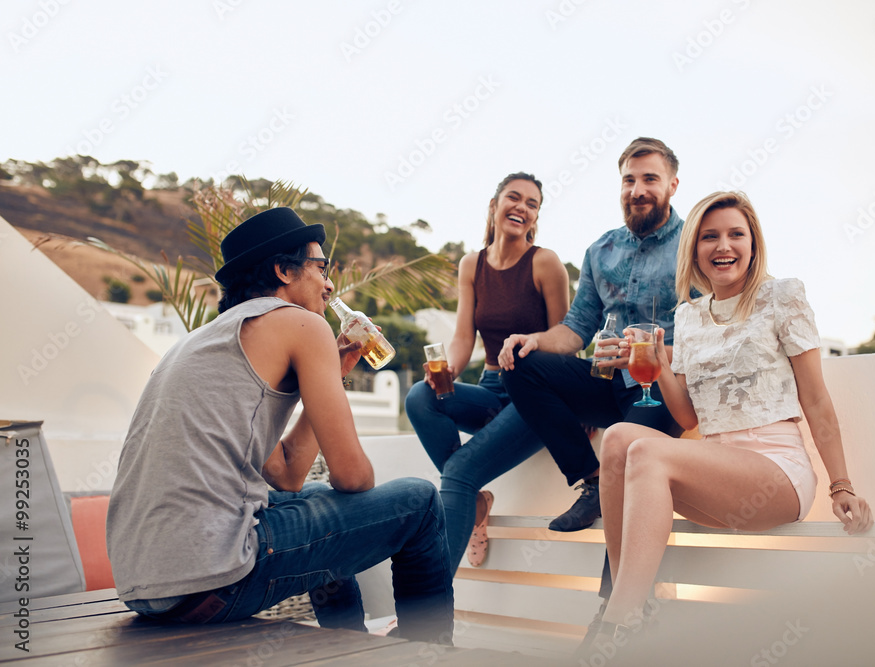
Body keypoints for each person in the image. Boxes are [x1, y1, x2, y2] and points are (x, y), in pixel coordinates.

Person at [106, 207, 454, 643]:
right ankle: (433, 652)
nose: (329, 285)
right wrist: (324, 359)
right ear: (283, 270)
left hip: (147, 589)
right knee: (419, 501)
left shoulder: (202, 342)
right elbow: (353, 477)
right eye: (321, 267)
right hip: (215, 577)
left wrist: (333, 373)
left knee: (314, 499)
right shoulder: (302, 323)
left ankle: (347, 644)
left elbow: (288, 475)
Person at [584, 191, 874, 653]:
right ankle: (629, 609)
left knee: (645, 449)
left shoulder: (782, 296)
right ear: (694, 249)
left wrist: (842, 484)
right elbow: (689, 418)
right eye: (709, 236)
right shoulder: (689, 316)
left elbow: (816, 400)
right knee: (619, 437)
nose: (724, 246)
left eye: (736, 234)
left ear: (753, 244)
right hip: (718, 469)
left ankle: (619, 626)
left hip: (776, 470)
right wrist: (658, 365)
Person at [498, 138, 685, 533]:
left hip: (663, 386)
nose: (637, 191)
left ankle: (618, 596)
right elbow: (576, 329)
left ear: (673, 185)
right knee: (522, 365)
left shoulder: (694, 245)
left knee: (632, 463)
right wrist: (533, 339)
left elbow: (709, 334)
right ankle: (591, 479)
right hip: (606, 381)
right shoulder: (600, 250)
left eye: (650, 179)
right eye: (628, 180)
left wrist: (647, 352)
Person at [405, 172, 570, 573]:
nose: (522, 207)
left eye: (532, 204)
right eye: (514, 198)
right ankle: (473, 501)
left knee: (460, 472)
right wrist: (444, 371)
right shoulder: (471, 265)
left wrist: (575, 410)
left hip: (535, 396)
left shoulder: (545, 263)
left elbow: (567, 342)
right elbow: (464, 338)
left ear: (535, 218)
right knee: (419, 397)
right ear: (494, 205)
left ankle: (428, 607)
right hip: (493, 387)